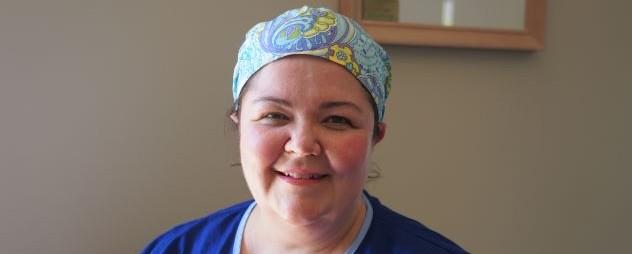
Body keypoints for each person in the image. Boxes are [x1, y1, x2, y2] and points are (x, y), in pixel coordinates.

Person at [141, 6, 468, 254]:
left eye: (337, 120)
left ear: (375, 136)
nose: (301, 145)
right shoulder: (176, 248)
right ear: (239, 124)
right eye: (274, 115)